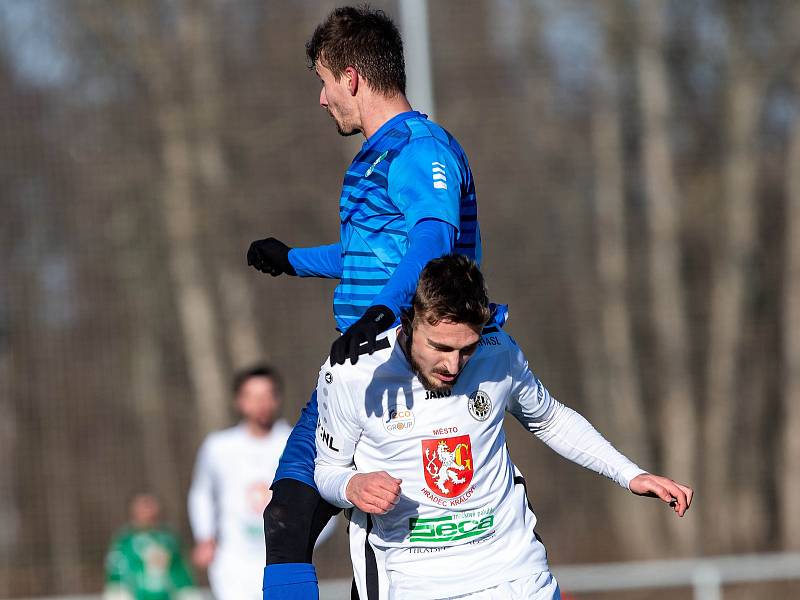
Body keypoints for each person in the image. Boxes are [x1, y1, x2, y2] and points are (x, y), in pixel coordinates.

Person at [246, 6, 481, 598]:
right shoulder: (377, 153)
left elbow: (433, 236)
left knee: (394, 555)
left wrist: (386, 311)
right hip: (353, 370)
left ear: (351, 76)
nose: (323, 100)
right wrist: (293, 259)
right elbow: (368, 252)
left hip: (408, 372)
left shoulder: (420, 149)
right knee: (288, 517)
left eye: (325, 82)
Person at [314, 255, 693, 600]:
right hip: (416, 581)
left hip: (516, 571)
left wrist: (630, 474)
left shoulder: (499, 352)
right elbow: (327, 471)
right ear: (411, 320)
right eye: (441, 347)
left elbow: (550, 418)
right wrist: (353, 486)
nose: (454, 365)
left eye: (467, 349)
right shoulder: (352, 375)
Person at [188, 365, 297, 600]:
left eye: (268, 395)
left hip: (282, 561)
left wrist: (309, 539)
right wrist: (204, 536)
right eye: (253, 396)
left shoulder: (294, 443)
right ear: (240, 401)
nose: (261, 403)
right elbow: (201, 493)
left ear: (277, 399)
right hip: (233, 563)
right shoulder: (218, 446)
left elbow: (315, 495)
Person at [104, 493, 199, 600]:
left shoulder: (169, 539)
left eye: (151, 505)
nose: (149, 510)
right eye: (144, 505)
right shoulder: (125, 541)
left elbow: (180, 571)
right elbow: (117, 574)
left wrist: (188, 593)